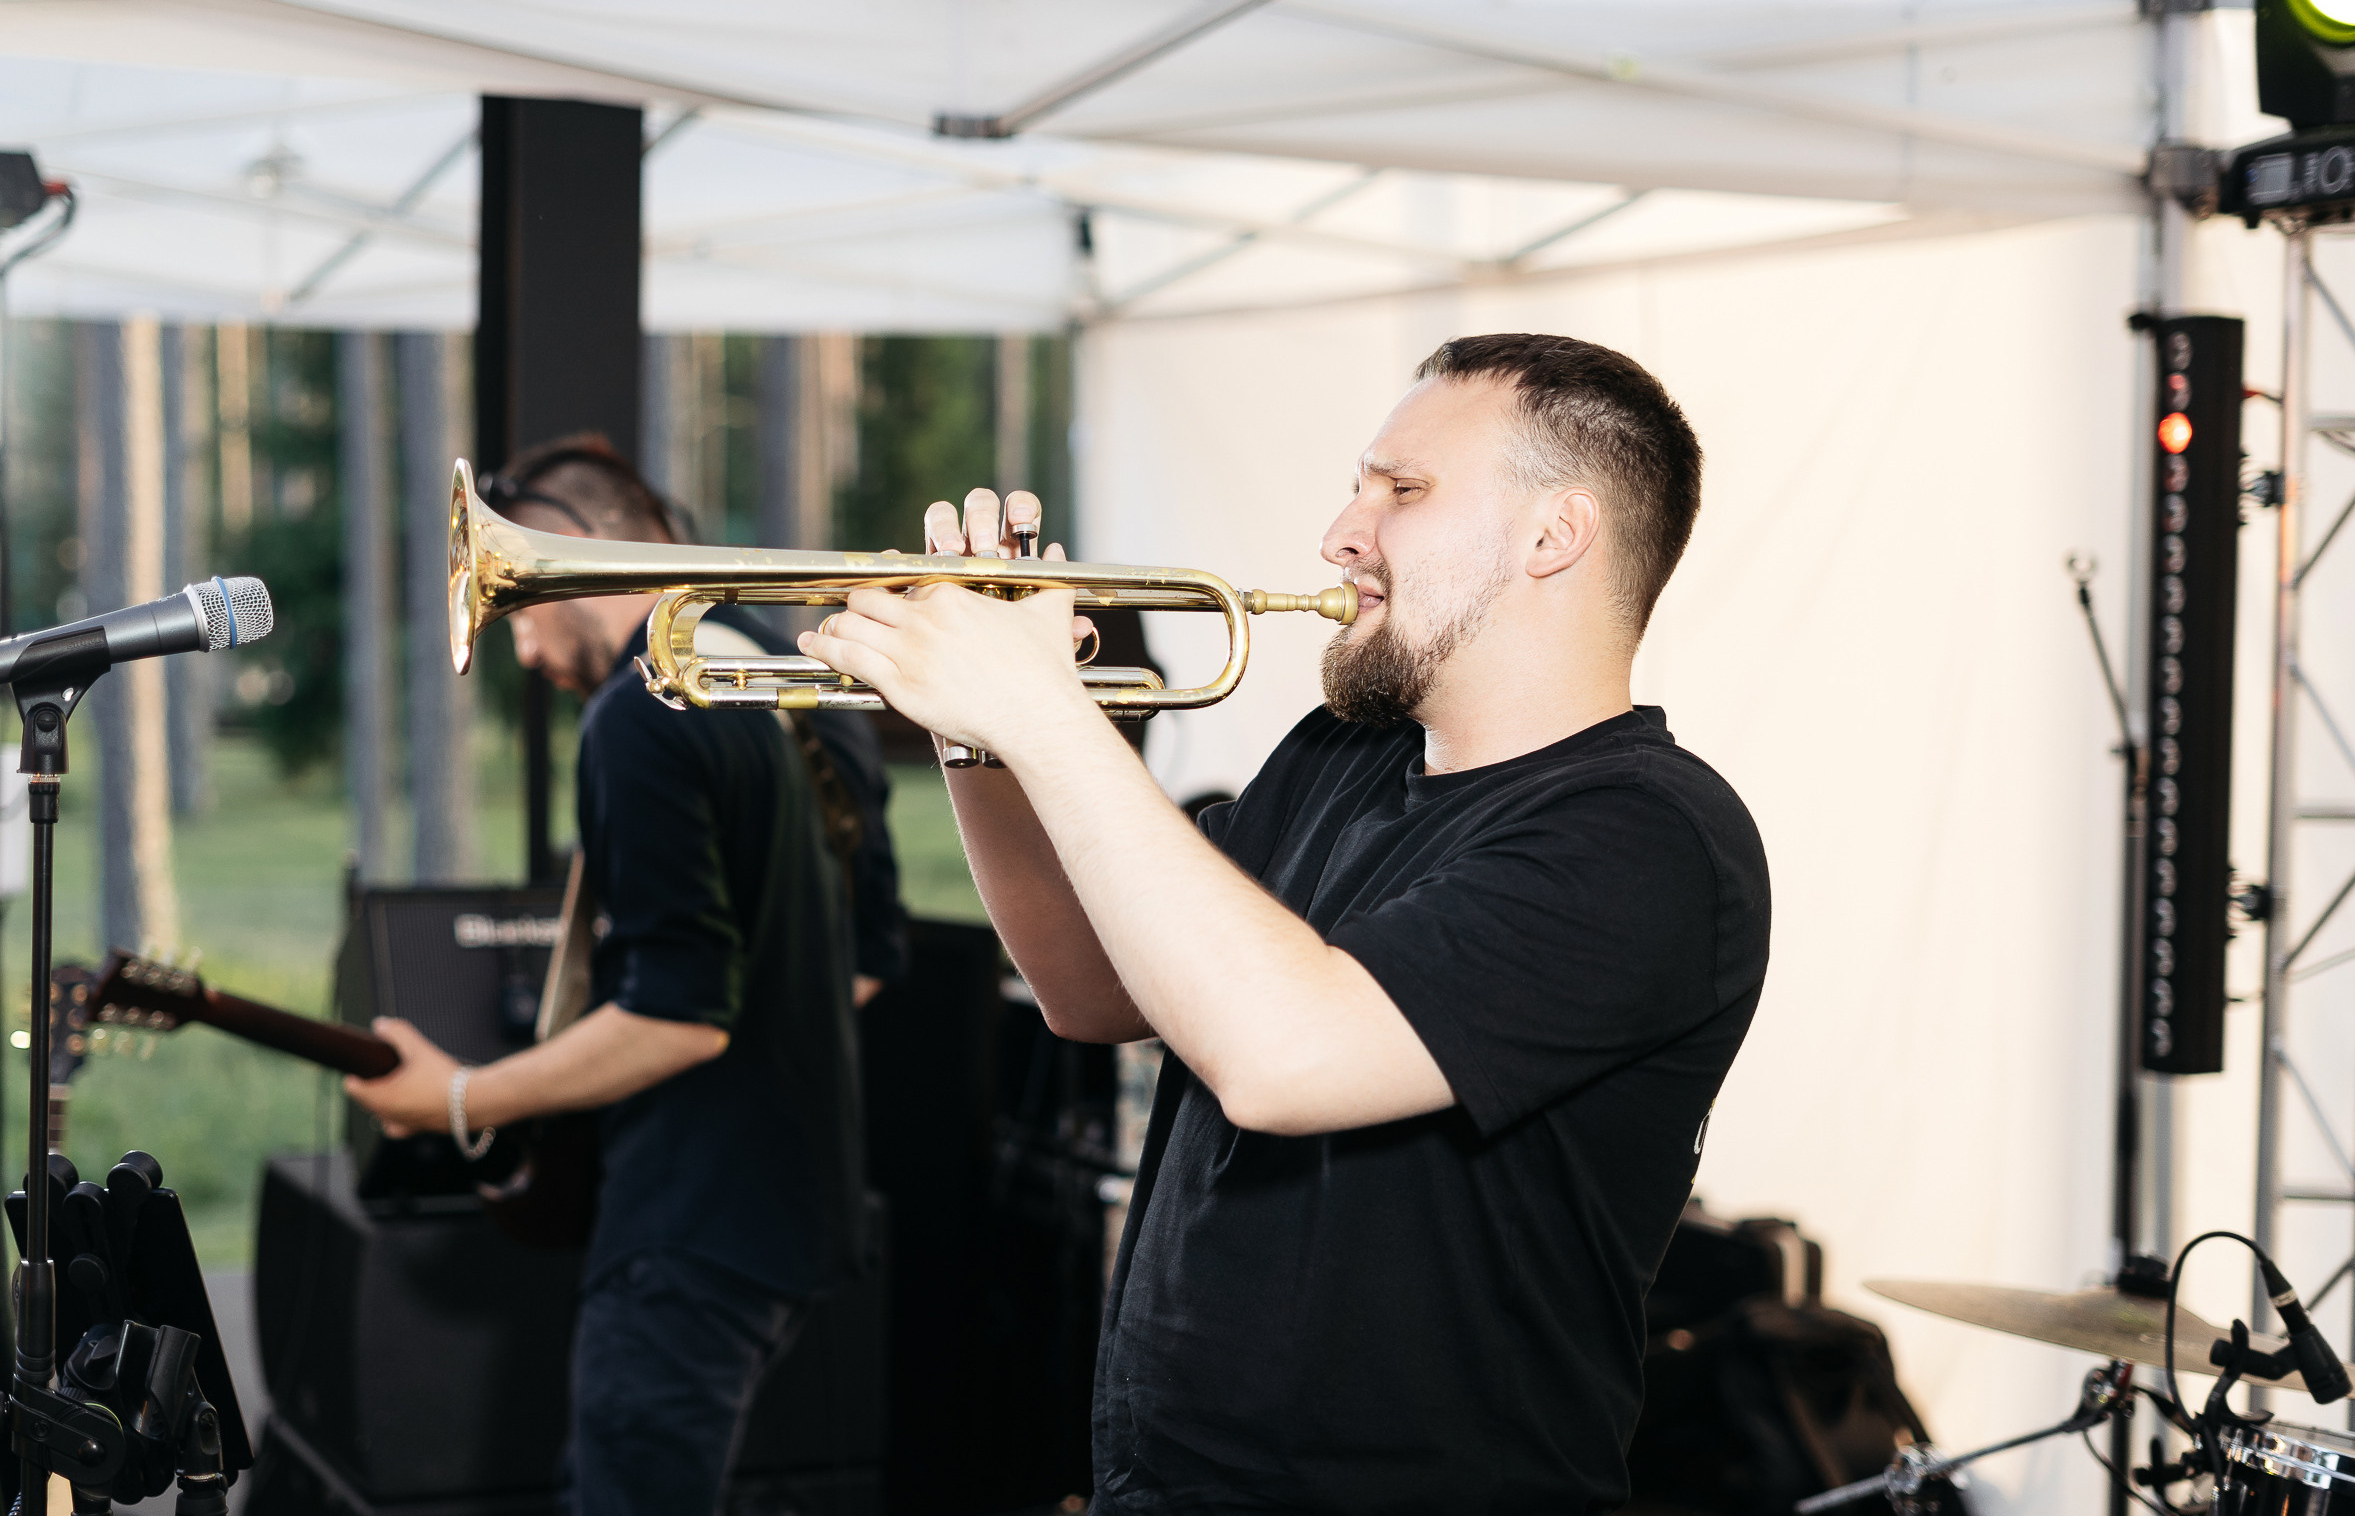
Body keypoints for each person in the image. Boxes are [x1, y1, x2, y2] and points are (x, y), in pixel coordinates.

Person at [801, 333, 1771, 1513]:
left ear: (1553, 536)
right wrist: (973, 730)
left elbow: (1281, 1055)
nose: (1340, 534)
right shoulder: (1343, 754)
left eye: (1400, 490)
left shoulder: (1651, 839)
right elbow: (1089, 984)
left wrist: (1041, 708)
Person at [344, 436, 904, 1514]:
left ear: (577, 546)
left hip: (688, 1226)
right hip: (798, 1211)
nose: (520, 649)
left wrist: (453, 1097)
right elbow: (867, 963)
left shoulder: (640, 713)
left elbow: (679, 1021)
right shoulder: (799, 682)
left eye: (514, 599)